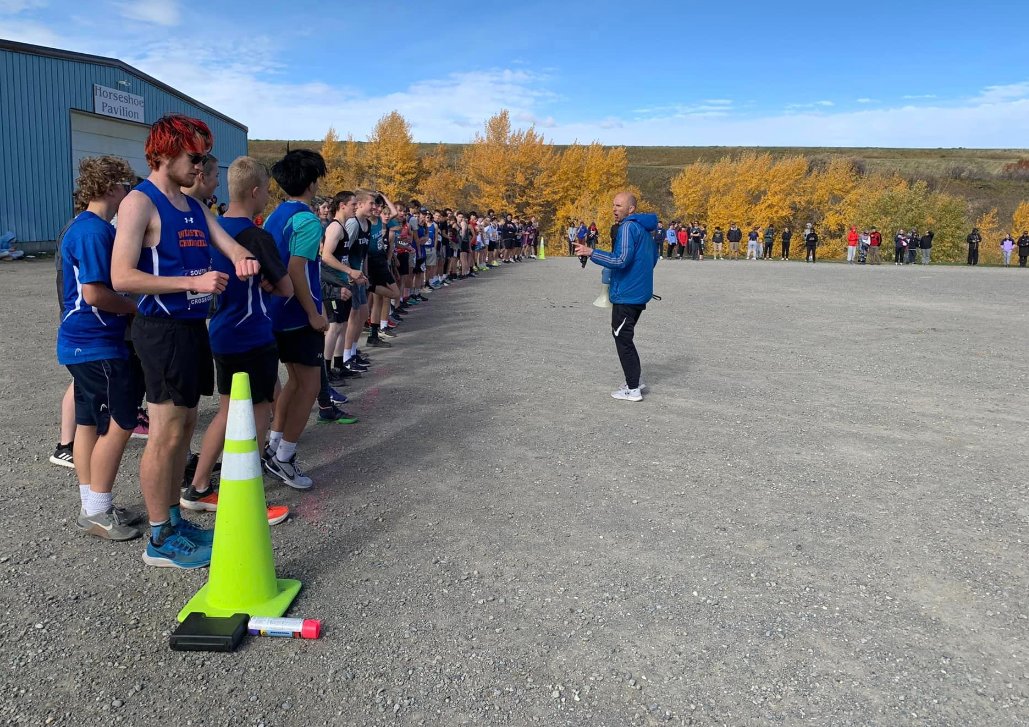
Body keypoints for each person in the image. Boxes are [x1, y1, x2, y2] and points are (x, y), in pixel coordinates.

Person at [111, 114, 260, 569]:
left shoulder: (194, 206)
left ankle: (174, 520)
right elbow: (121, 276)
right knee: (166, 433)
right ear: (164, 153)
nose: (201, 166)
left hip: (192, 329)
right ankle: (159, 538)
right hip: (161, 330)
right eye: (194, 158)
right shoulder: (140, 202)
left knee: (184, 428)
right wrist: (190, 282)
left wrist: (243, 256)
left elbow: (227, 243)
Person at [181, 156, 292, 524]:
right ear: (257, 192)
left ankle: (198, 487)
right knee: (256, 416)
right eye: (267, 192)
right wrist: (270, 281)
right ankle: (246, 495)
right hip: (253, 335)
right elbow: (287, 288)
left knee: (228, 413)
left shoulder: (210, 228)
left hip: (223, 332)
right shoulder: (256, 236)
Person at [58, 155, 144, 541]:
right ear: (112, 188)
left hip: (80, 343)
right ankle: (95, 511)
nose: (129, 191)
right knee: (121, 422)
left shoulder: (83, 226)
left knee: (89, 422)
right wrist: (134, 308)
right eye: (125, 185)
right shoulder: (94, 232)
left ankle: (93, 502)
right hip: (97, 342)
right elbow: (94, 293)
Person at [265, 149, 329, 490]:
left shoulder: (278, 214)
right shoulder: (307, 221)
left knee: (293, 380)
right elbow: (296, 270)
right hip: (297, 315)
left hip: (275, 311)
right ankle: (284, 456)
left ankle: (275, 442)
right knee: (310, 385)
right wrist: (313, 314)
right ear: (312, 182)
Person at [573, 192, 658, 403]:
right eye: (613, 205)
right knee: (625, 337)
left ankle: (632, 388)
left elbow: (620, 259)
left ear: (631, 209)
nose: (614, 209)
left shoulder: (629, 227)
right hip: (638, 294)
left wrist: (590, 252)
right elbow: (652, 259)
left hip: (627, 296)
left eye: (619, 205)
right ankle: (634, 381)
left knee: (622, 338)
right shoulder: (645, 230)